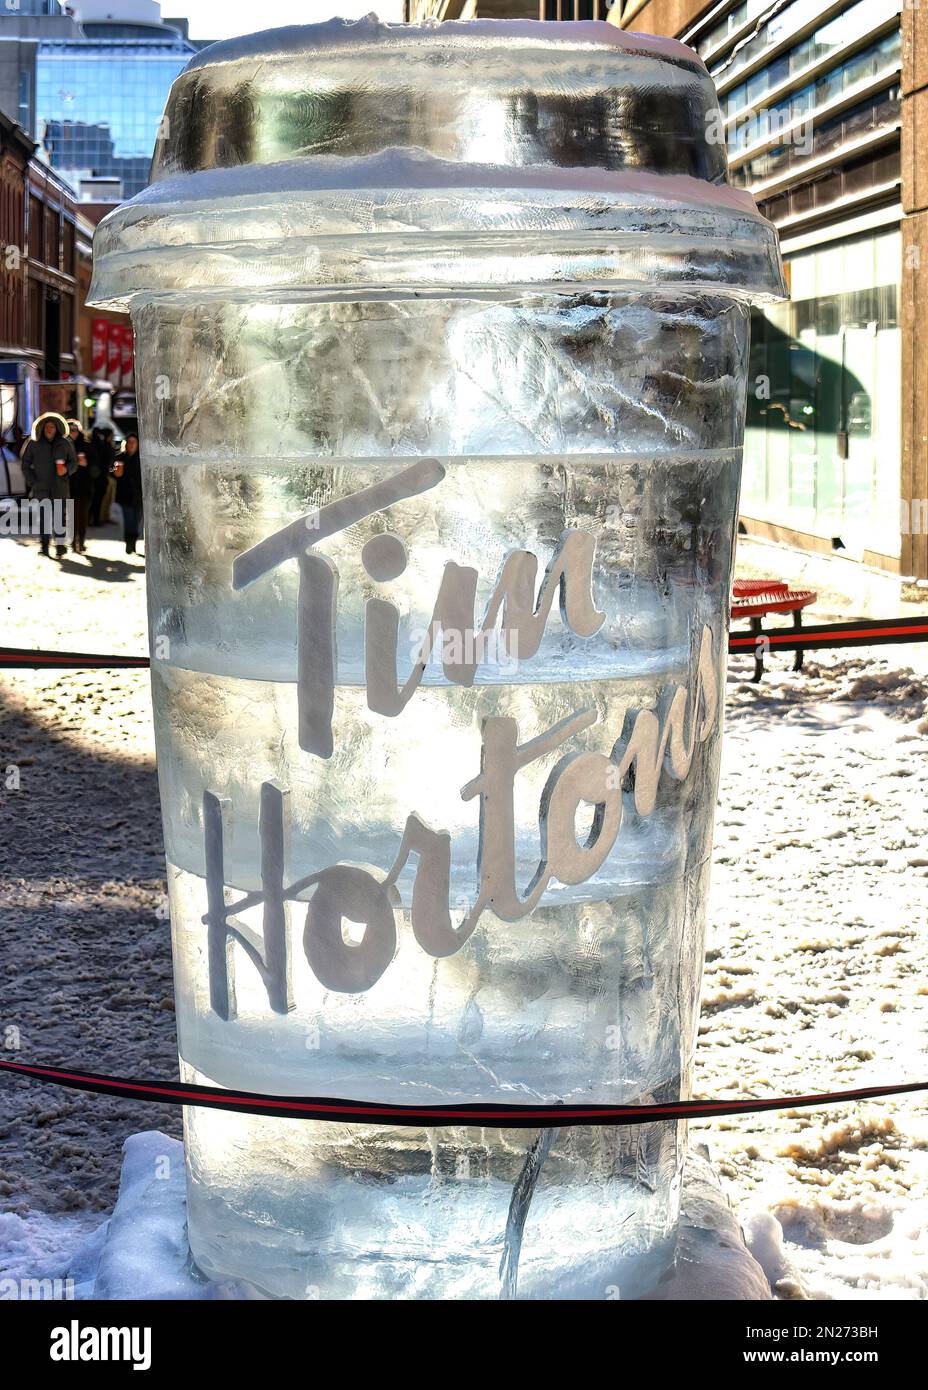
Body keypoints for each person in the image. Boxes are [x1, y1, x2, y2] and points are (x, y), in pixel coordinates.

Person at [20, 413, 76, 558]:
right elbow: (25, 464)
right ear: (42, 428)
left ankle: (60, 546)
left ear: (57, 428)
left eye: (52, 426)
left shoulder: (65, 443)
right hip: (41, 487)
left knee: (60, 518)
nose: (49, 429)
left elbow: (74, 462)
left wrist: (67, 470)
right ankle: (44, 547)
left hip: (60, 487)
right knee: (44, 518)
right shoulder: (33, 443)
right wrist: (33, 481)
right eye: (47, 426)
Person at [66, 419, 93, 555]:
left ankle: (81, 542)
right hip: (69, 486)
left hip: (84, 486)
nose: (73, 432)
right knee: (70, 516)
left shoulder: (87, 446)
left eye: (75, 430)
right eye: (70, 430)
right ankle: (72, 542)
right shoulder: (63, 445)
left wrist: (87, 463)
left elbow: (96, 466)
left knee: (82, 516)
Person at [114, 432, 143, 554]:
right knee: (129, 520)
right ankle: (129, 543)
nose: (131, 445)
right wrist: (116, 472)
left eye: (134, 442)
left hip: (140, 496)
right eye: (129, 442)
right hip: (125, 495)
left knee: (137, 522)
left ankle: (133, 542)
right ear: (126, 444)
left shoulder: (142, 458)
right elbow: (115, 475)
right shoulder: (120, 457)